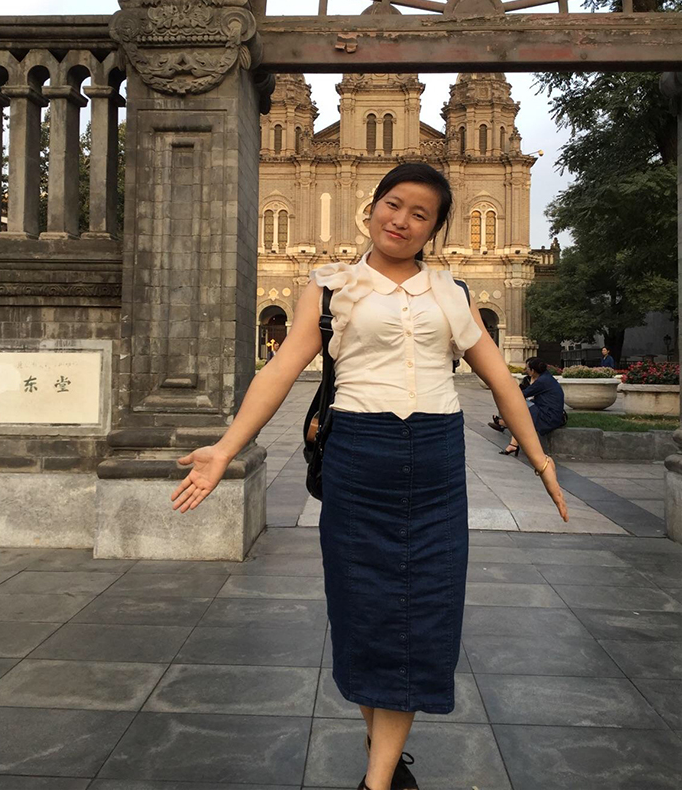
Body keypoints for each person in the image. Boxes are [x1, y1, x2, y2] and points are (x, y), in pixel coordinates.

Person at [170, 163, 569, 790]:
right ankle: (382, 754)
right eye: (393, 204)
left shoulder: (452, 292)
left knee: (424, 612)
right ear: (374, 205)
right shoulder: (330, 288)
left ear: (434, 229)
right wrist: (225, 448)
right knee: (364, 610)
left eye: (420, 214)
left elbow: (500, 378)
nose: (401, 220)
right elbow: (279, 372)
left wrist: (540, 459)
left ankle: (378, 779)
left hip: (436, 465)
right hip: (358, 458)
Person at [490, 357, 566, 457]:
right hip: (549, 413)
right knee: (522, 410)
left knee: (518, 404)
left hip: (548, 417)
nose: (526, 370)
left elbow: (521, 395)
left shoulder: (542, 381)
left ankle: (505, 424)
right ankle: (511, 440)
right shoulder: (546, 377)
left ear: (533, 371)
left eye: (527, 368)